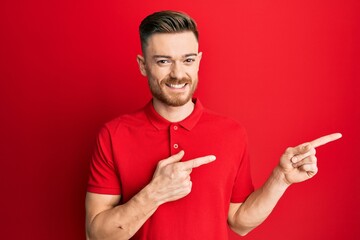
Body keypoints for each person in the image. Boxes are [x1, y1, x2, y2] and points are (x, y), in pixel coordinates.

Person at [85, 10, 341, 240]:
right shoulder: (114, 134)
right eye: (163, 61)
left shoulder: (231, 133)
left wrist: (281, 179)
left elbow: (239, 222)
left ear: (198, 60)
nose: (177, 73)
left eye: (187, 60)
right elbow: (96, 235)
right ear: (143, 65)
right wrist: (154, 193)